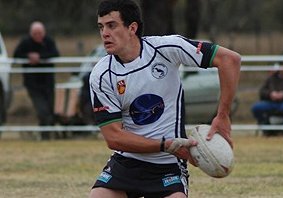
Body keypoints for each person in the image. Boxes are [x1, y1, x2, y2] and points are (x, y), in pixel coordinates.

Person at [89, 0, 241, 197]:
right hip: (127, 162)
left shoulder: (166, 48)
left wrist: (223, 115)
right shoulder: (102, 75)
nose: (105, 34)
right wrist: (166, 145)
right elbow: (114, 137)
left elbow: (230, 60)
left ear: (132, 28)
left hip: (167, 166)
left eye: (112, 25)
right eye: (101, 27)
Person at [14, 21, 60, 140]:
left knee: (50, 109)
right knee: (42, 109)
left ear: (44, 33)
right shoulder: (25, 42)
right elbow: (16, 55)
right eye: (35, 33)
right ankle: (45, 136)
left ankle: (49, 136)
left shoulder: (49, 41)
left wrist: (40, 57)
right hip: (32, 84)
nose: (38, 36)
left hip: (48, 83)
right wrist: (29, 57)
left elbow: (55, 54)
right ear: (31, 33)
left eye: (40, 33)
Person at [251, 69, 283, 136]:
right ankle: (266, 128)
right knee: (256, 107)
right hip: (271, 102)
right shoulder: (271, 78)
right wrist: (270, 94)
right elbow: (262, 91)